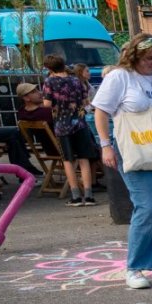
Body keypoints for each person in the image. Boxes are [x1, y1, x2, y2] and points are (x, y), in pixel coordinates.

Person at [93, 35, 152, 288]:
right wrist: (105, 145)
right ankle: (135, 267)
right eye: (148, 58)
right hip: (136, 149)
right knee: (147, 209)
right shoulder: (120, 76)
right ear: (134, 56)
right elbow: (101, 111)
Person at [42, 55, 98, 206]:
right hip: (80, 123)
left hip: (62, 125)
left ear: (49, 68)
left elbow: (47, 104)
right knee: (84, 159)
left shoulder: (50, 81)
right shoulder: (76, 80)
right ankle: (89, 195)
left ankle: (76, 196)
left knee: (68, 160)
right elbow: (85, 101)